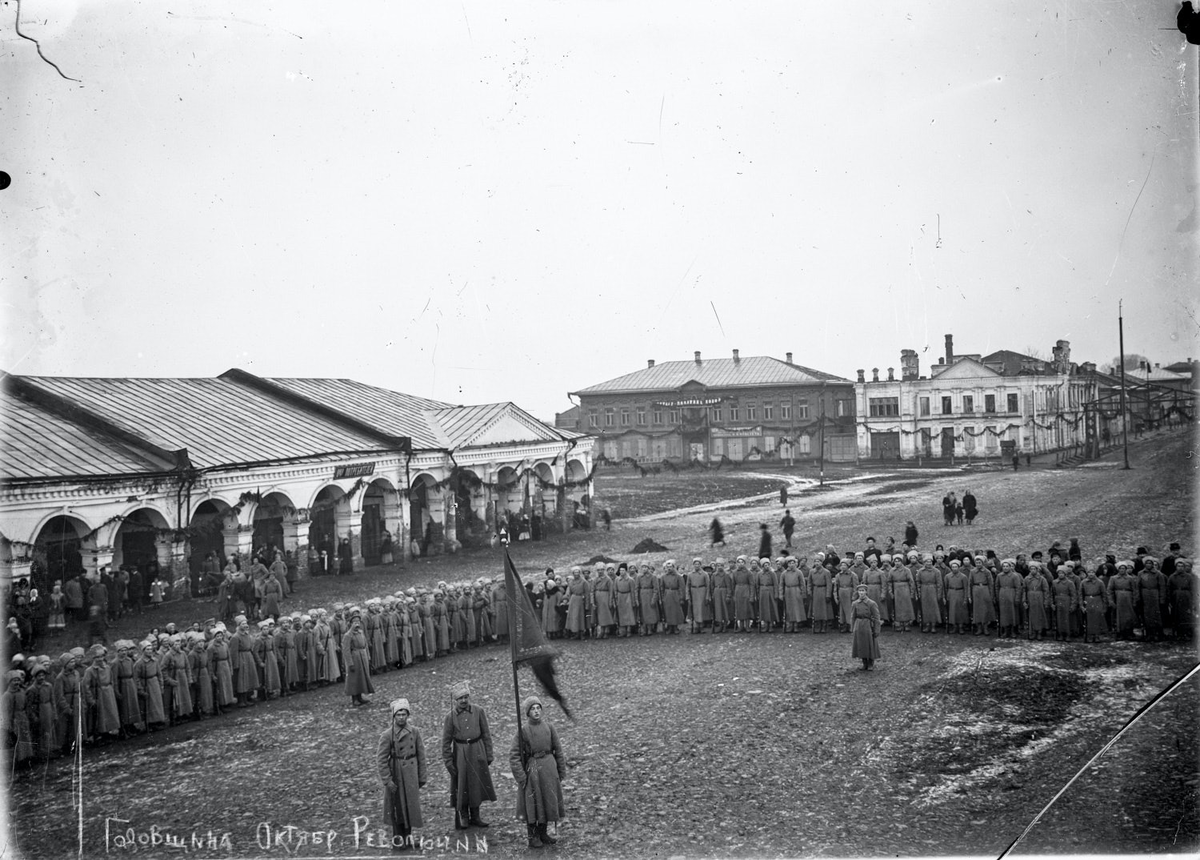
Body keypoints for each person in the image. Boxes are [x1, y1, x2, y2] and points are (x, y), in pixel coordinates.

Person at [510, 696, 565, 849]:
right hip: (532, 772)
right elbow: (514, 755)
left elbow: (558, 750)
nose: (536, 711)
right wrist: (521, 776)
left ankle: (543, 833)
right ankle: (532, 836)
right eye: (532, 709)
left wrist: (560, 771)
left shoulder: (550, 727)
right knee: (533, 803)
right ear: (527, 713)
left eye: (538, 708)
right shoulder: (523, 731)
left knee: (547, 801)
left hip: (549, 769)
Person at [441, 681, 496, 830]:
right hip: (460, 753)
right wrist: (448, 761)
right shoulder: (450, 717)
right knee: (462, 784)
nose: (464, 701)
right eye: (460, 698)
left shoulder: (478, 711)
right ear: (455, 700)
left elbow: (486, 734)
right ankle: (463, 815)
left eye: (466, 697)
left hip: (477, 751)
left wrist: (488, 754)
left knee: (476, 783)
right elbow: (446, 742)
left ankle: (476, 815)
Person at [378, 697, 427, 852]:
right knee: (397, 807)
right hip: (397, 773)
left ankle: (408, 837)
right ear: (394, 716)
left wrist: (422, 776)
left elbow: (421, 755)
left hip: (411, 774)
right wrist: (387, 780)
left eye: (404, 714)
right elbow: (381, 759)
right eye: (398, 714)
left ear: (408, 715)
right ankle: (398, 840)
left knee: (410, 807)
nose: (401, 717)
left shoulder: (415, 732)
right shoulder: (387, 735)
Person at [850, 584, 881, 670]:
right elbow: (853, 617)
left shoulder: (871, 603)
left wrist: (876, 630)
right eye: (860, 591)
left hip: (868, 625)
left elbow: (876, 617)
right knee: (861, 644)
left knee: (870, 644)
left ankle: (871, 663)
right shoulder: (855, 603)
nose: (861, 593)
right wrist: (852, 628)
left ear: (866, 592)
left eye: (863, 591)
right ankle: (864, 663)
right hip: (859, 625)